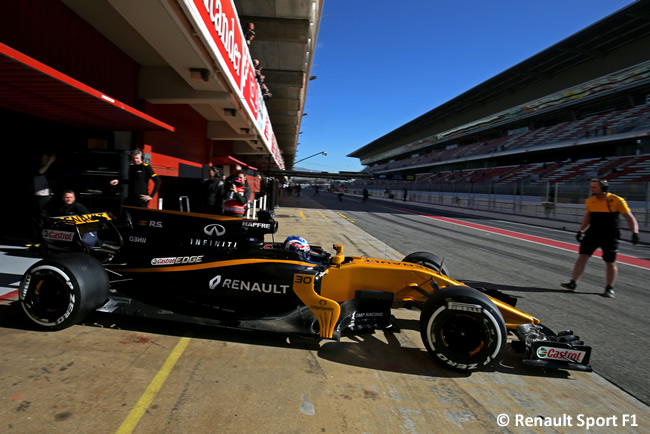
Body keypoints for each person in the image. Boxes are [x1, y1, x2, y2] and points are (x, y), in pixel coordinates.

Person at [561, 179, 639, 298]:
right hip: (593, 233)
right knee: (582, 257)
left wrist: (635, 232)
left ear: (604, 188)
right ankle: (573, 283)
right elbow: (587, 217)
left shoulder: (617, 200)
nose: (592, 189)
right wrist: (580, 230)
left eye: (594, 187)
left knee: (610, 262)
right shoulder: (590, 201)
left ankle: (609, 288)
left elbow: (629, 217)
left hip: (610, 235)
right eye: (591, 187)